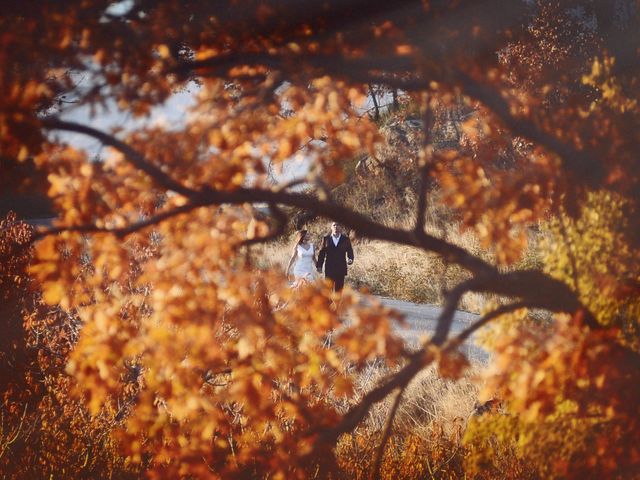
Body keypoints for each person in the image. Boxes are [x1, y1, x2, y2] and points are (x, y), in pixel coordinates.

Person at [316, 222, 354, 292]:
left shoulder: (345, 239)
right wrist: (319, 266)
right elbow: (322, 253)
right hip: (329, 268)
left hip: (341, 268)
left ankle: (337, 303)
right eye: (334, 225)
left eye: (338, 225)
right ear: (331, 227)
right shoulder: (326, 239)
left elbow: (350, 251)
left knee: (339, 290)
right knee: (328, 289)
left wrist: (350, 259)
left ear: (341, 228)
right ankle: (328, 303)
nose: (336, 226)